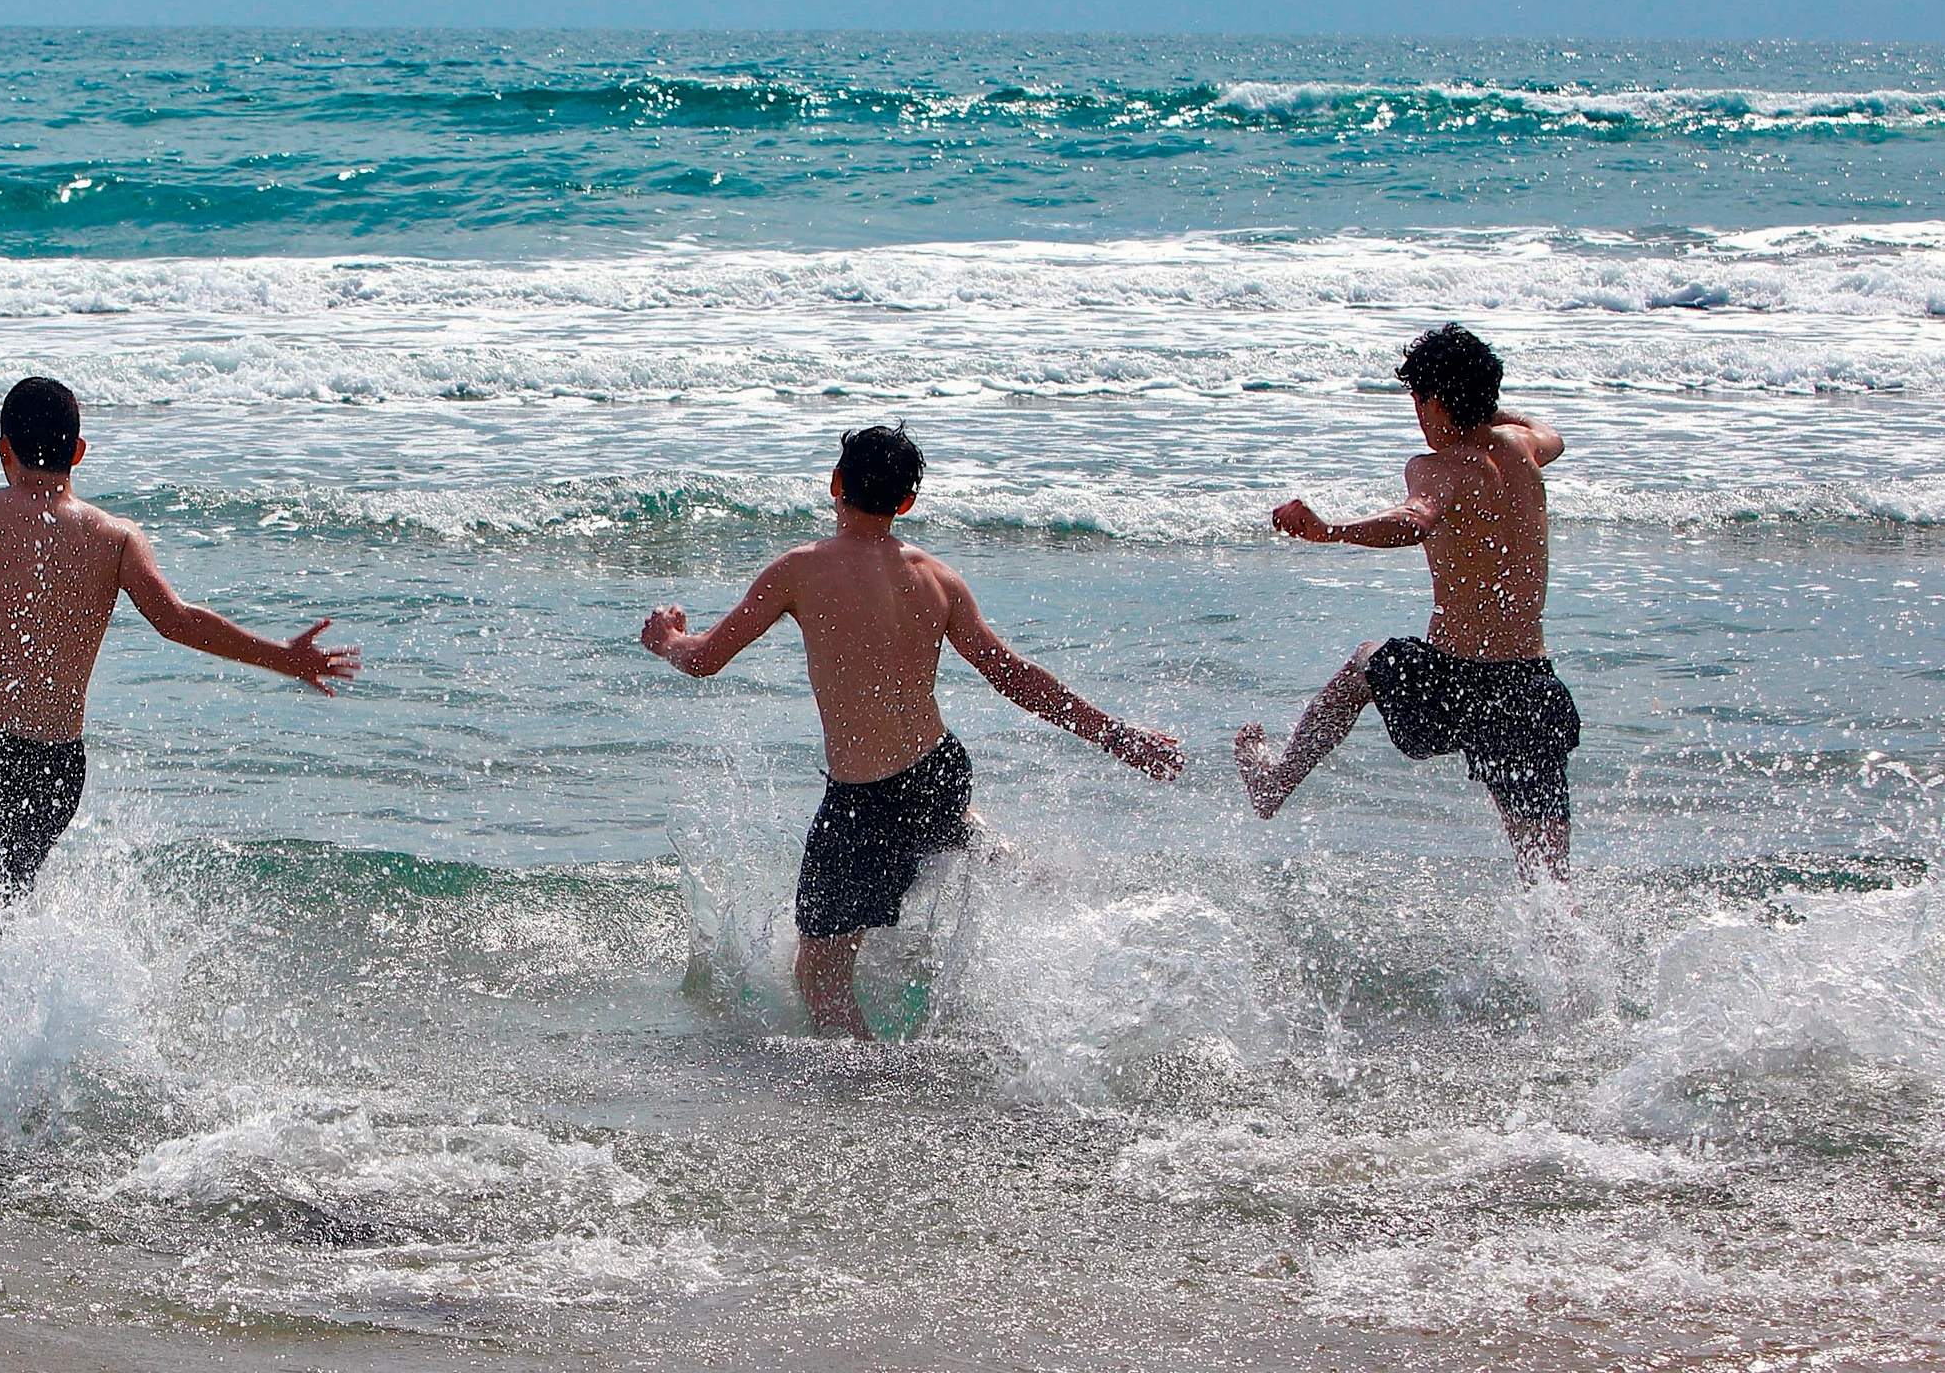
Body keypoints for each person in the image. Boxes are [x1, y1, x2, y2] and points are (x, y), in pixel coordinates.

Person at [0, 376, 359, 977]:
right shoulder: (114, 539)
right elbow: (177, 621)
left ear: (3, 449)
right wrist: (283, 656)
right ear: (79, 451)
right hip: (58, 768)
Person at [640, 422, 1183, 1039]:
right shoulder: (938, 578)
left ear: (835, 484)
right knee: (939, 821)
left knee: (818, 976)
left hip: (866, 799)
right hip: (939, 767)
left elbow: (706, 657)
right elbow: (1016, 677)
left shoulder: (799, 569)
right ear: (907, 502)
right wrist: (1115, 736)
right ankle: (1005, 860)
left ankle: (871, 1093)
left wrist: (667, 640)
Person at [1234, 323, 1576, 880]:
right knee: (1548, 876)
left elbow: (1413, 520)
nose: (1417, 415)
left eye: (1419, 400)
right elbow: (1549, 430)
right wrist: (1483, 407)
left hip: (1455, 684)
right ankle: (1573, 962)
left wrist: (1332, 531)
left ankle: (1275, 783)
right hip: (1527, 687)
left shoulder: (1435, 468)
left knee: (1367, 664)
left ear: (1435, 402)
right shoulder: (1524, 449)